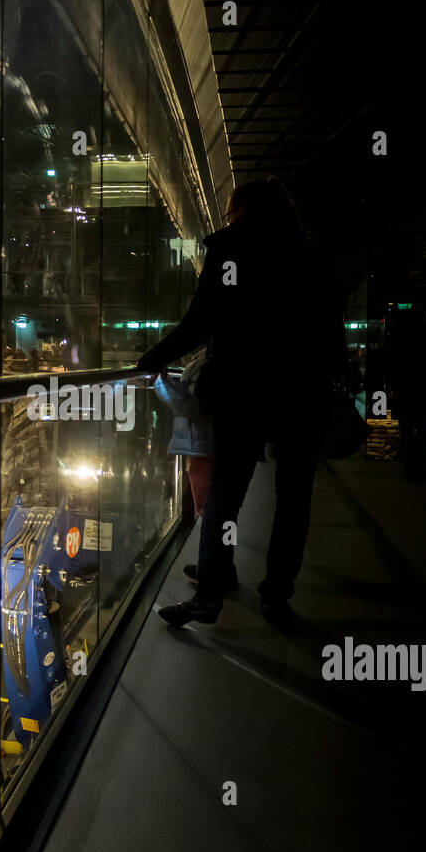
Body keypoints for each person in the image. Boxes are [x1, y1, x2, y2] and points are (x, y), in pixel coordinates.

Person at [136, 178, 345, 629]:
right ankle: (276, 598)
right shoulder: (311, 256)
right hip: (302, 393)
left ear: (240, 209)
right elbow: (331, 329)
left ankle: (209, 596)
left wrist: (155, 357)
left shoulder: (231, 249)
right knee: (293, 501)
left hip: (243, 390)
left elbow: (200, 320)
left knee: (225, 494)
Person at [386, 310, 426, 480]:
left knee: (406, 427)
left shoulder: (397, 336)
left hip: (406, 389)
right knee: (423, 428)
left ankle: (409, 462)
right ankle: (420, 462)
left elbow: (391, 362)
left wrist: (394, 385)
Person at [153, 348, 214, 519]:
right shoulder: (204, 360)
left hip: (201, 446)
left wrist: (160, 383)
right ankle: (225, 542)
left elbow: (190, 406)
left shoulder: (205, 363)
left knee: (209, 509)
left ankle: (221, 543)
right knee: (219, 509)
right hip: (203, 445)